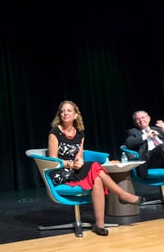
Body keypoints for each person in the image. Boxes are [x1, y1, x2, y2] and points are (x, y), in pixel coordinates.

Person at [47, 100, 145, 236]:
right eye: (62, 111)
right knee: (94, 166)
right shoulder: (54, 133)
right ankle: (123, 195)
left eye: (69, 110)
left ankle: (99, 224)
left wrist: (79, 162)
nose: (65, 113)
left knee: (97, 179)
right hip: (60, 172)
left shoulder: (80, 134)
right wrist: (70, 164)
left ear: (76, 115)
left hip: (75, 170)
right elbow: (52, 160)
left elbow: (79, 155)